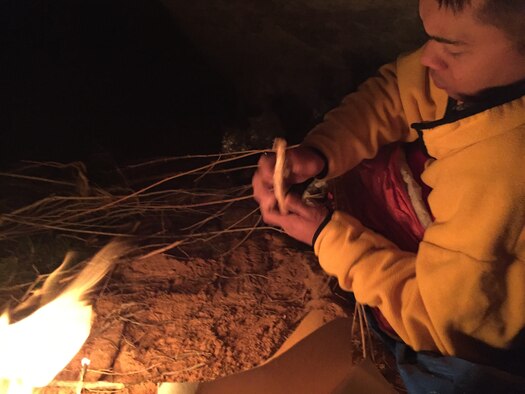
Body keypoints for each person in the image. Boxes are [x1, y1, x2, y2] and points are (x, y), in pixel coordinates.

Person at [252, 0, 525, 392]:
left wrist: (328, 237)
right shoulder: (485, 77)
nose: (428, 58)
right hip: (466, 263)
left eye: (452, 48)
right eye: (426, 36)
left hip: (473, 336)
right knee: (370, 160)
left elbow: (437, 324)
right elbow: (398, 91)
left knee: (455, 375)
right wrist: (321, 152)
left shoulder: (504, 173)